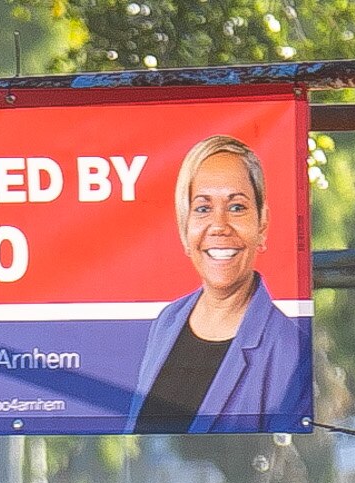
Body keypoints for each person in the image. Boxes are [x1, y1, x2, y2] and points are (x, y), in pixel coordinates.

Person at [123, 135, 311, 434]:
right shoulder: (167, 321)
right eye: (202, 208)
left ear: (262, 224)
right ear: (185, 227)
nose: (219, 225)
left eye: (237, 207)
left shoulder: (290, 349)